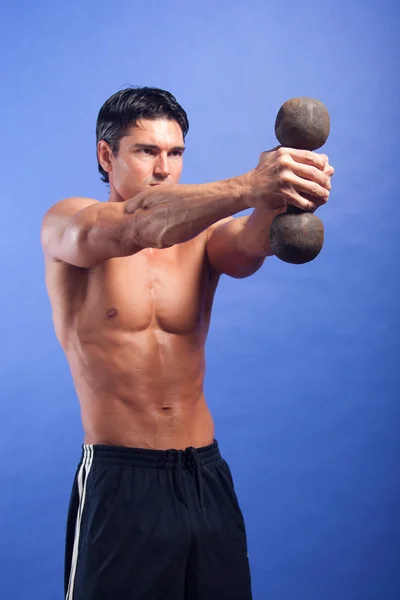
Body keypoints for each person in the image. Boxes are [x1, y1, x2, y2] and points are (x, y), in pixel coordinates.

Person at [41, 86, 334, 600]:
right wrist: (250, 185)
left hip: (205, 475)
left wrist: (288, 186)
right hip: (121, 482)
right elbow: (142, 224)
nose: (164, 169)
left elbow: (246, 248)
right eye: (147, 151)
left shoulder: (202, 233)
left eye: (175, 153)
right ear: (106, 155)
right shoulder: (68, 222)